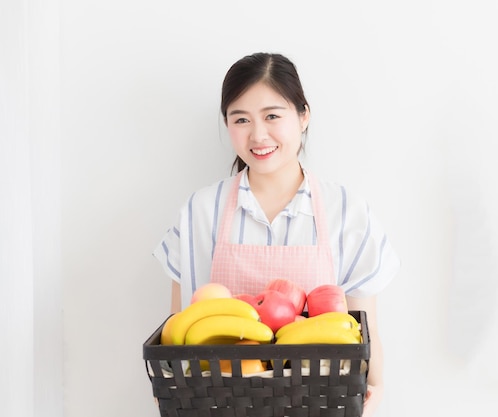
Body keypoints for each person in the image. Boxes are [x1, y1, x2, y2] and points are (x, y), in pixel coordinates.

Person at [153, 52, 401, 417]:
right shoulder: (200, 211)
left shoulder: (346, 210)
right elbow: (176, 329)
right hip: (219, 405)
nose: (258, 134)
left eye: (272, 115)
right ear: (227, 125)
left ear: (303, 116)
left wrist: (376, 387)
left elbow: (365, 328)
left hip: (319, 404)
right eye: (241, 119)